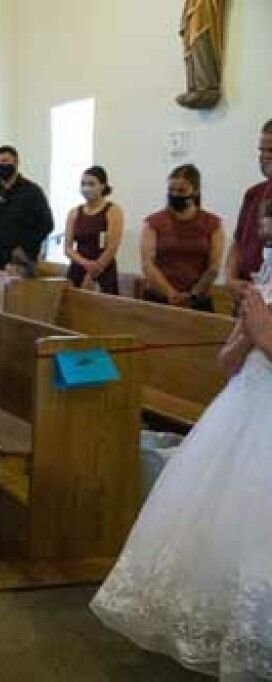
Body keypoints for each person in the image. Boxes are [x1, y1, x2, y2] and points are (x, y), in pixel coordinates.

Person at [90, 256, 272, 679]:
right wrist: (246, 338)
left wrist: (263, 336)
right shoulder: (266, 278)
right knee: (231, 527)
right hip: (241, 415)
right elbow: (227, 365)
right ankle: (234, 626)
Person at [141, 164, 224, 311]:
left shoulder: (212, 224)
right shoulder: (154, 223)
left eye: (181, 190)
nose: (175, 194)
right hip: (159, 298)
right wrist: (171, 294)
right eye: (171, 190)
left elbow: (214, 267)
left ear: (195, 191)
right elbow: (148, 264)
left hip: (198, 300)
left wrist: (192, 296)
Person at [0, 145, 54, 274]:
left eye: (5, 161)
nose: (1, 165)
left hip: (21, 260)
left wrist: (25, 248)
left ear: (16, 162)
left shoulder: (32, 192)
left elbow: (47, 224)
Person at [226, 119, 272, 299]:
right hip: (247, 297)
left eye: (271, 150)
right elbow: (238, 244)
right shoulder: (254, 194)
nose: (265, 156)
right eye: (262, 150)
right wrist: (230, 280)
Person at [63, 166, 124, 294]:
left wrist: (94, 271)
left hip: (104, 269)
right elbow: (68, 248)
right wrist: (85, 264)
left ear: (102, 186)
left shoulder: (113, 210)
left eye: (91, 184)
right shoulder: (74, 213)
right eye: (83, 184)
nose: (86, 188)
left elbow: (112, 246)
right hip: (78, 267)